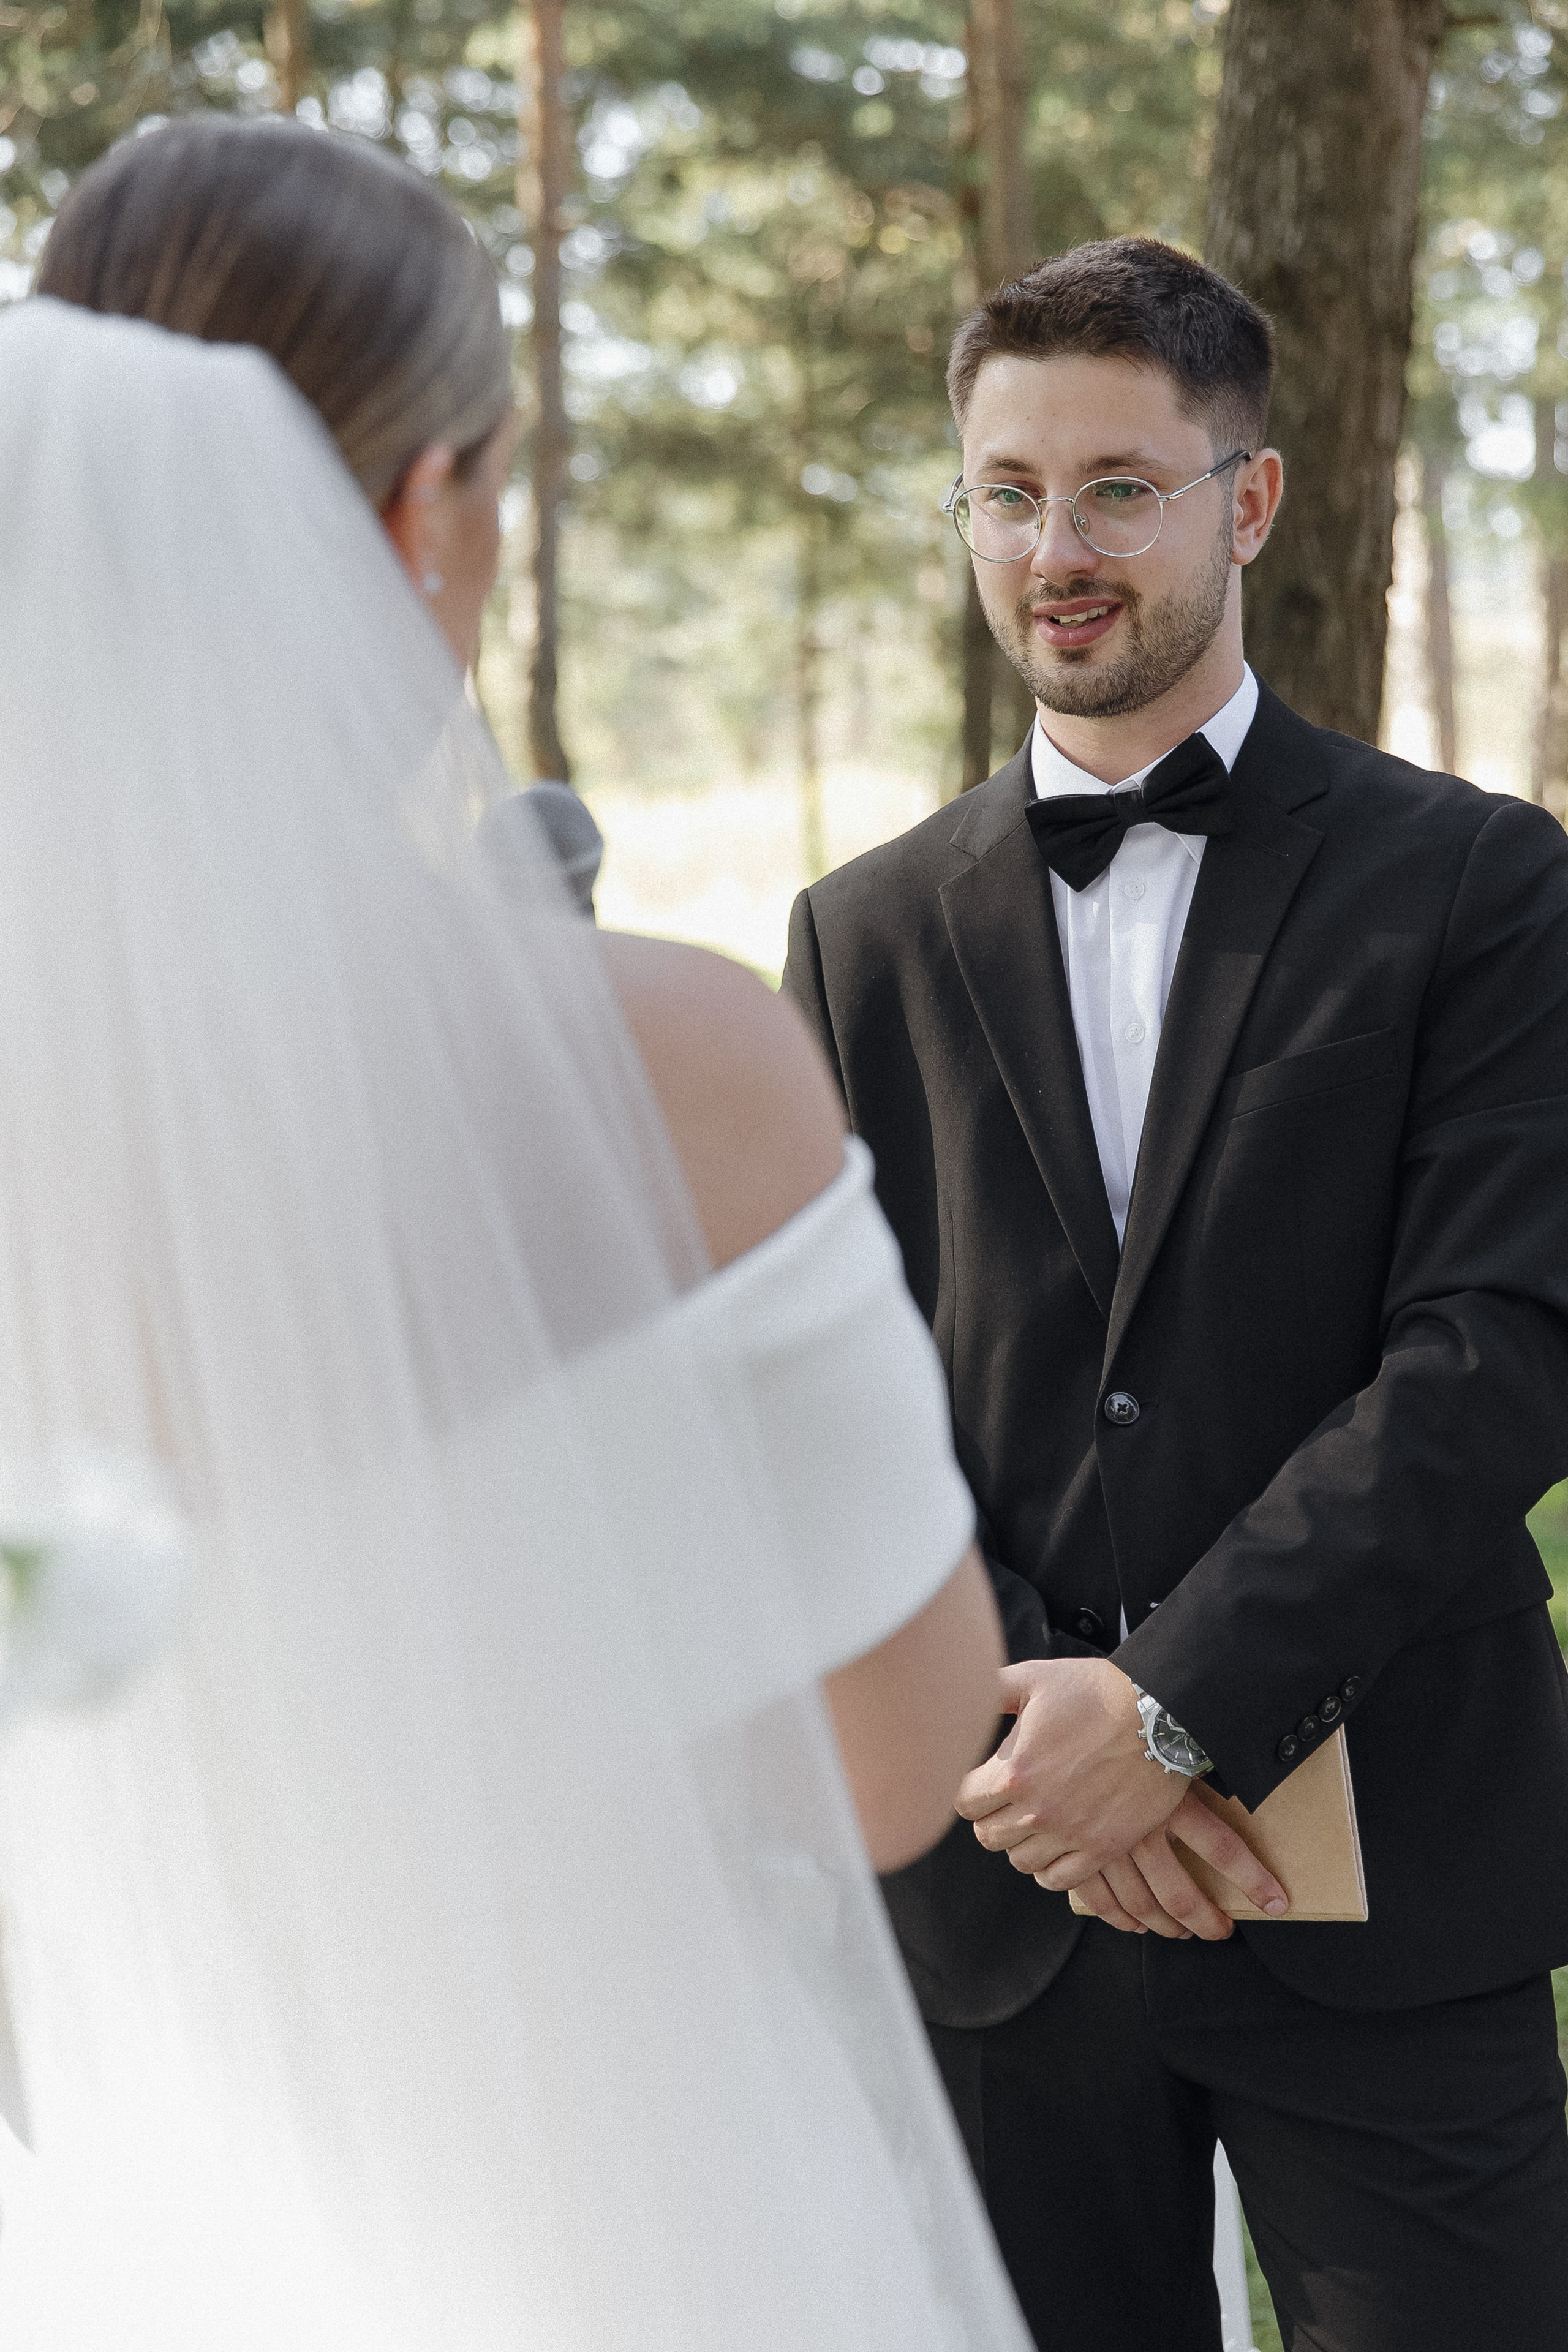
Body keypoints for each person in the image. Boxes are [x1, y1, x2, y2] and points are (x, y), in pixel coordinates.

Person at [0, 135, 1058, 2346]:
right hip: (649, 2194)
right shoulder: (678, 1059)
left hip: (163, 2199)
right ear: (427, 511)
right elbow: (898, 1756)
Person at [783, 235, 1568, 2352]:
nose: (1058, 550)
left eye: (1120, 488)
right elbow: (837, 1406)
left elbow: (1497, 1353)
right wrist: (1056, 1742)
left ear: (1253, 498)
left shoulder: (1483, 885)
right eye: (1009, 493)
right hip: (1009, 1889)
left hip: (1393, 1876)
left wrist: (1173, 1710)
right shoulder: (861, 937)